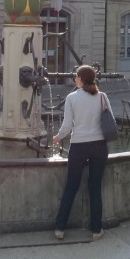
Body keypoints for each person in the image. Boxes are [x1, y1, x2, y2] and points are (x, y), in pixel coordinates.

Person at [52, 65, 111, 240]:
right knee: (95, 187)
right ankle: (96, 229)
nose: (74, 79)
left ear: (81, 79)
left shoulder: (72, 98)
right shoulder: (102, 96)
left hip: (79, 146)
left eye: (76, 76)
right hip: (99, 145)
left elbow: (67, 125)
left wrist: (58, 137)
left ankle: (60, 228)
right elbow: (110, 120)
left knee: (71, 186)